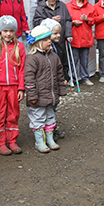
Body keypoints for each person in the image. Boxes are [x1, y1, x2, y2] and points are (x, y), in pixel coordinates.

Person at [0, 15, 26, 155]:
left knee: (13, 114)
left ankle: (12, 141)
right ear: (0, 31)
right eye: (5, 31)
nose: (8, 34)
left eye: (11, 31)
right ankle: (0, 143)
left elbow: (22, 70)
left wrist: (21, 87)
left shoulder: (20, 47)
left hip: (14, 86)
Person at [25, 25, 66, 153]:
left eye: (49, 39)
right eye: (45, 39)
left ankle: (50, 139)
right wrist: (31, 95)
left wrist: (61, 90)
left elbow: (60, 74)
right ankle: (39, 141)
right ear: (37, 42)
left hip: (51, 95)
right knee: (38, 118)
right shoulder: (32, 58)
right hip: (38, 97)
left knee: (50, 117)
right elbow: (29, 78)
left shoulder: (54, 56)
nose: (49, 41)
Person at [33, 0, 72, 79]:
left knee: (62, 57)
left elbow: (68, 20)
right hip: (47, 38)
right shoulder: (41, 7)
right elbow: (36, 22)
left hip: (60, 36)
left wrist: (68, 34)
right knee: (49, 57)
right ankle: (50, 78)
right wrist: (51, 19)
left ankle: (64, 78)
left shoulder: (62, 5)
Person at [67, 0, 95, 86]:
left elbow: (93, 21)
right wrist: (73, 22)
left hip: (85, 37)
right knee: (73, 60)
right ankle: (73, 78)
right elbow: (65, 21)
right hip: (73, 36)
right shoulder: (68, 6)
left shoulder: (90, 7)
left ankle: (85, 77)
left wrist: (88, 19)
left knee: (84, 60)